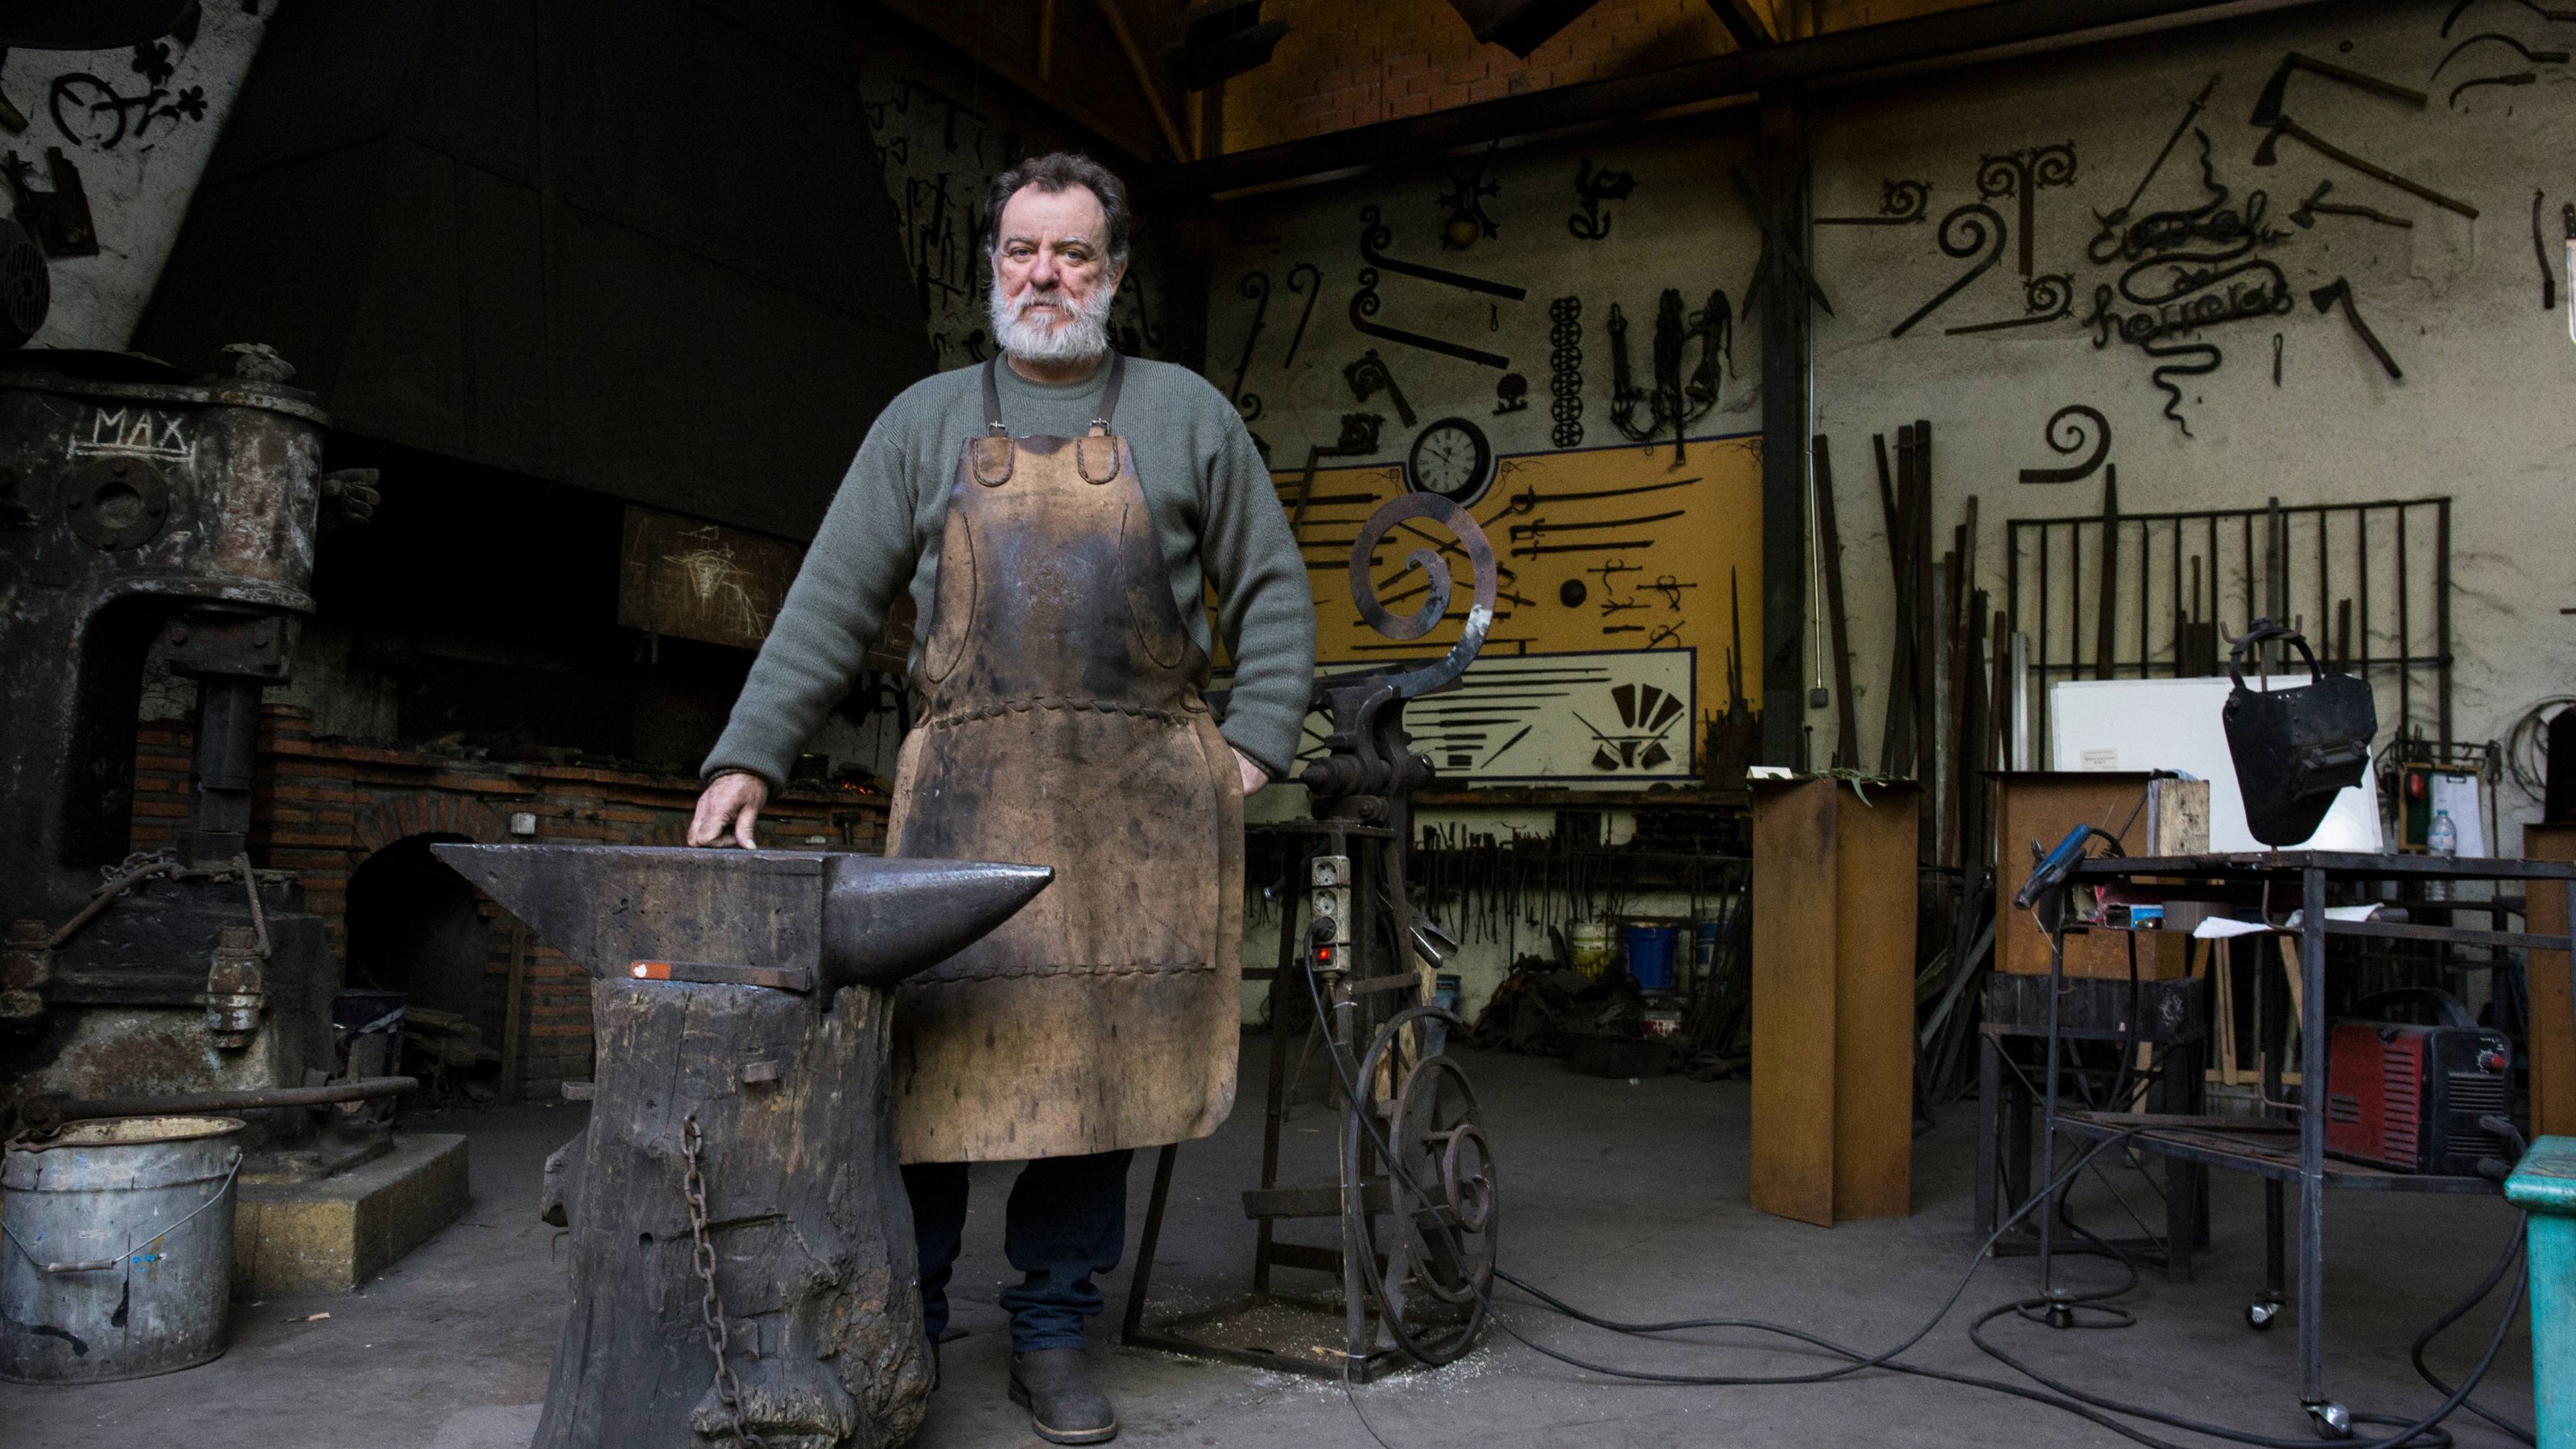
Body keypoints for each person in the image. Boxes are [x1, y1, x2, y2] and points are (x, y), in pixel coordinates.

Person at [689, 151, 1315, 1446]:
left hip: (1137, 813)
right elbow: (830, 601)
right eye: (1024, 251)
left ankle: (1051, 1331)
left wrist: (1251, 744)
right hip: (965, 795)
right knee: (931, 1069)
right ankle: (907, 1323)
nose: (1046, 275)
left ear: (1114, 275)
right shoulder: (923, 423)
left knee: (1099, 1072)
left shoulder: (1188, 415)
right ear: (992, 266)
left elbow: (1272, 587)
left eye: (1074, 254)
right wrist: (751, 754)